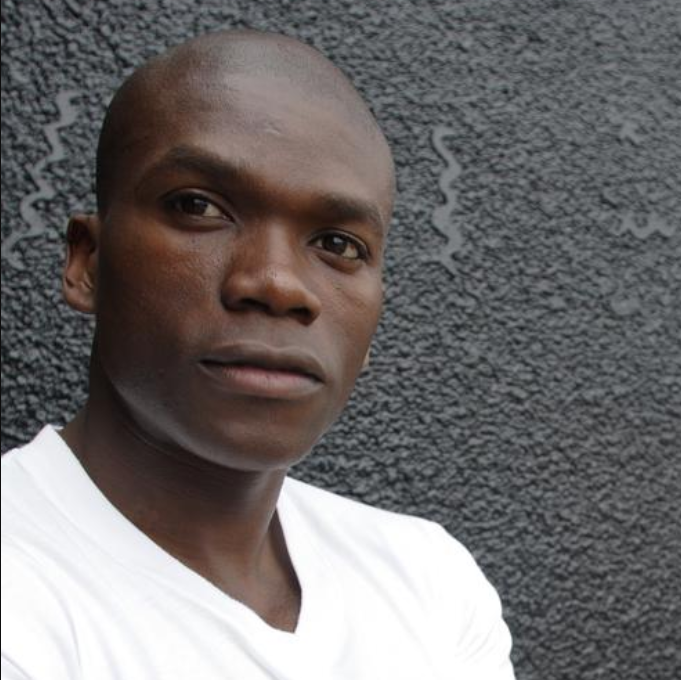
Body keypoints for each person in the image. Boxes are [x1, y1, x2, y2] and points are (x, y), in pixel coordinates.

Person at [1, 29, 516, 680]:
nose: (277, 283)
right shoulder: (21, 591)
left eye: (337, 244)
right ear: (87, 262)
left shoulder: (428, 583)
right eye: (199, 207)